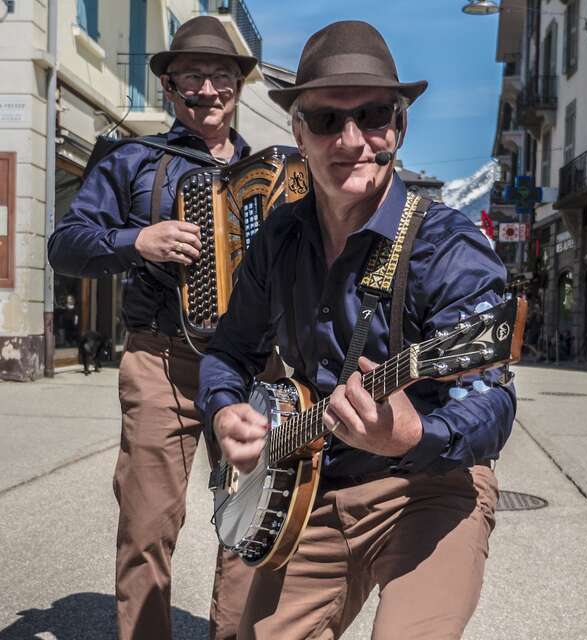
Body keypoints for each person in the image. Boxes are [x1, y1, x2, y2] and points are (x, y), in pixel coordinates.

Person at [197, 20, 516, 640]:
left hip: (428, 485)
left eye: (374, 116)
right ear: (297, 131)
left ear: (399, 126)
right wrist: (223, 409)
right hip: (310, 489)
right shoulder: (280, 239)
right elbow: (229, 352)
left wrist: (414, 432)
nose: (353, 140)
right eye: (326, 121)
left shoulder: (447, 247)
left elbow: (494, 400)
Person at [48, 16, 257, 640]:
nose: (208, 89)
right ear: (169, 86)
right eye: (192, 76)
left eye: (222, 76)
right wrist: (136, 238)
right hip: (162, 359)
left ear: (238, 87)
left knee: (251, 522)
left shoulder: (273, 173)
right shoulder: (133, 158)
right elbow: (66, 244)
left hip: (251, 366)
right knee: (147, 525)